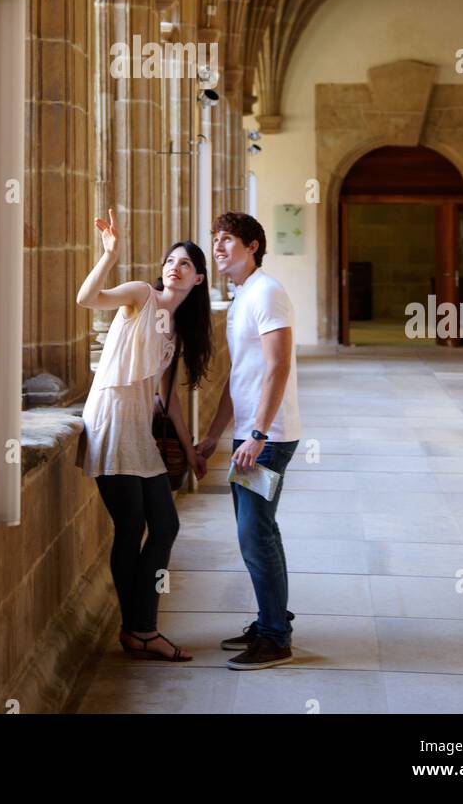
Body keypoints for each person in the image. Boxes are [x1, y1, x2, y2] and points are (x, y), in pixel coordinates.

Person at [76, 208, 213, 662]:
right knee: (131, 526)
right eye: (171, 260)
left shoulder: (176, 331)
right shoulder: (141, 296)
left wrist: (189, 446)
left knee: (166, 525)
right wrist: (110, 255)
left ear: (197, 281)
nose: (175, 266)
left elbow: (166, 397)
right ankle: (141, 629)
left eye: (186, 264)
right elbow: (87, 299)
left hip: (139, 426)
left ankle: (139, 626)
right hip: (112, 417)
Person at [196, 212, 302, 669]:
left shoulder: (268, 293)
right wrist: (212, 437)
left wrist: (258, 434)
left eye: (227, 240)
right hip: (251, 435)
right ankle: (271, 621)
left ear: (253, 245)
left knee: (254, 535)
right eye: (215, 240)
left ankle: (276, 637)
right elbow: (237, 378)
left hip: (269, 438)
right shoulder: (242, 296)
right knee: (260, 533)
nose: (218, 247)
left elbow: (278, 368)